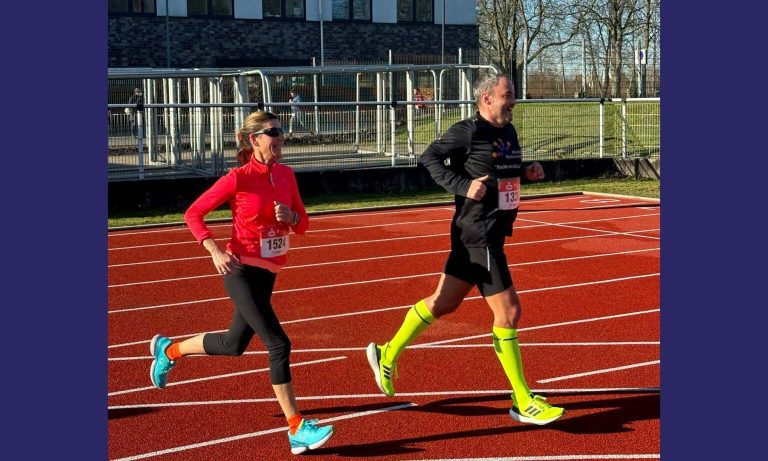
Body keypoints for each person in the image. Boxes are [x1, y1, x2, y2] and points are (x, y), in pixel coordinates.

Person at [366, 73, 565, 426]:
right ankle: (522, 400)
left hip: (490, 232)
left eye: (513, 94)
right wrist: (461, 185)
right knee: (509, 313)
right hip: (478, 233)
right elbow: (428, 158)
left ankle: (387, 352)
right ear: (487, 98)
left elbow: (500, 168)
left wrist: (525, 170)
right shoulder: (468, 131)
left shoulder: (509, 132)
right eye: (509, 95)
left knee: (444, 302)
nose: (514, 101)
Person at [149, 111, 334, 455]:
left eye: (282, 131)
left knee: (234, 344)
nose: (281, 137)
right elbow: (193, 213)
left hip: (267, 273)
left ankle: (169, 350)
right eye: (274, 131)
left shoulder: (286, 175)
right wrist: (213, 248)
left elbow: (304, 224)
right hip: (240, 270)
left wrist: (291, 217)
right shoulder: (238, 178)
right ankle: (297, 428)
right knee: (278, 344)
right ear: (254, 140)